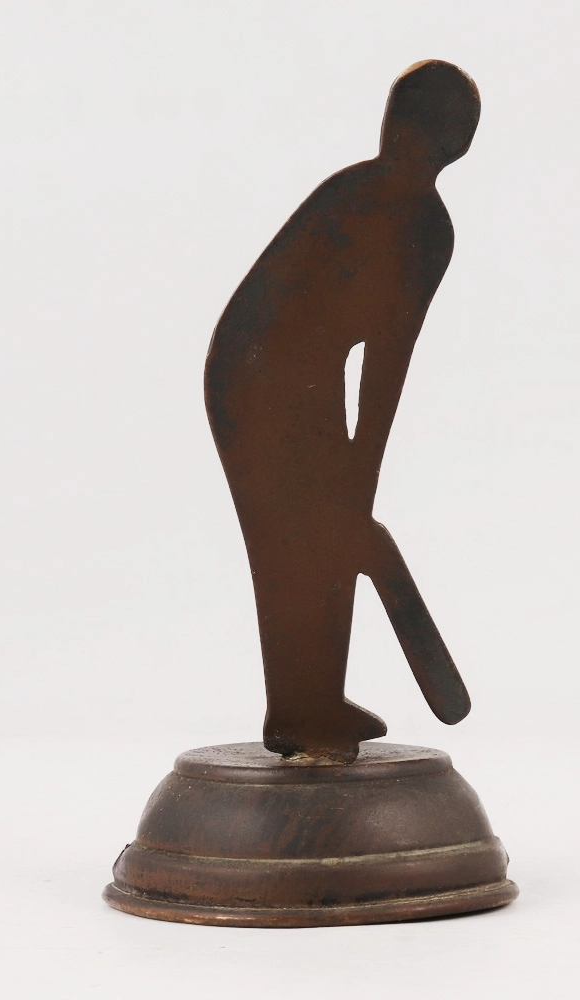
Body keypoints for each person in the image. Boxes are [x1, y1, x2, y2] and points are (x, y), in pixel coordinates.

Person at [205, 60, 480, 762]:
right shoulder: (352, 195)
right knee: (292, 538)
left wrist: (364, 466)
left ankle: (311, 701)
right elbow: (293, 314)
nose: (399, 139)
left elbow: (389, 358)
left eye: (415, 131)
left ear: (448, 147)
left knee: (327, 533)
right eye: (398, 124)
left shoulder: (427, 232)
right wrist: (353, 473)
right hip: (253, 374)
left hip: (310, 377)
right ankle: (299, 704)